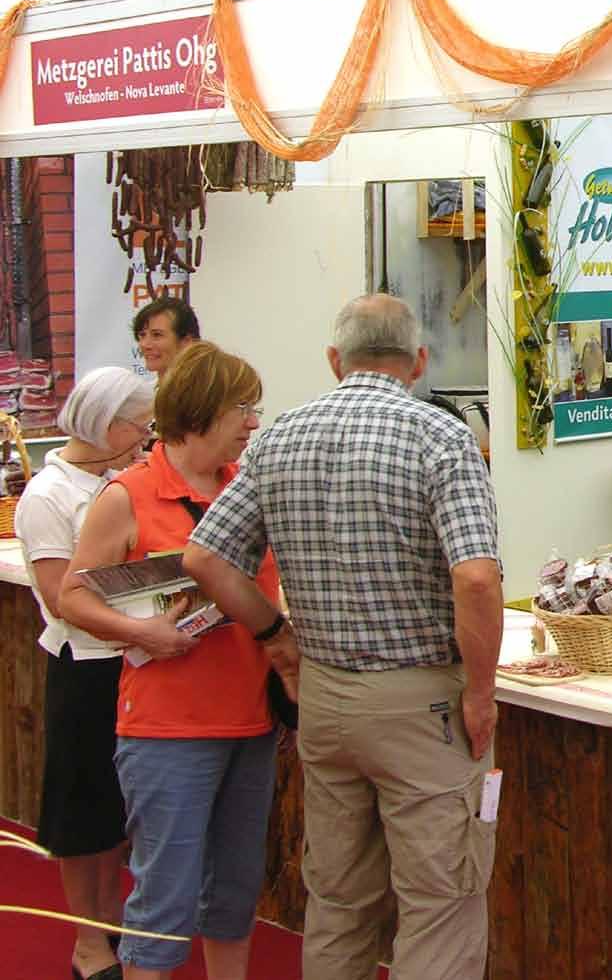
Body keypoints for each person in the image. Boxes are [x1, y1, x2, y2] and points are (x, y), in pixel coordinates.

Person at [183, 294, 504, 980]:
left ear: (336, 360)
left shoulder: (279, 436)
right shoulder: (441, 437)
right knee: (440, 902)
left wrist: (277, 635)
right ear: (418, 361)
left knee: (338, 901)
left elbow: (205, 558)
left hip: (325, 698)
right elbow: (476, 578)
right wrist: (481, 692)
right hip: (423, 705)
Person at [57, 343, 276, 980]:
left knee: (234, 893)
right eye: (243, 408)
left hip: (251, 721)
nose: (252, 423)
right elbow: (72, 595)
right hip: (168, 730)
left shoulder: (245, 488)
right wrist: (143, 632)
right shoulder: (128, 494)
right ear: (202, 410)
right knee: (163, 899)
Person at [14, 368, 155, 980]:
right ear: (110, 423)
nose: (147, 435)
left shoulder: (121, 481)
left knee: (121, 807)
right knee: (82, 810)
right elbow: (60, 597)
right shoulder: (48, 494)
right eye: (141, 424)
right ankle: (88, 940)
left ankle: (112, 915)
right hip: (85, 669)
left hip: (133, 663)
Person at [131, 296, 201, 377]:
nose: (145, 345)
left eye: (157, 335)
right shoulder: (144, 385)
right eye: (142, 335)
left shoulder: (208, 385)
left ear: (187, 342)